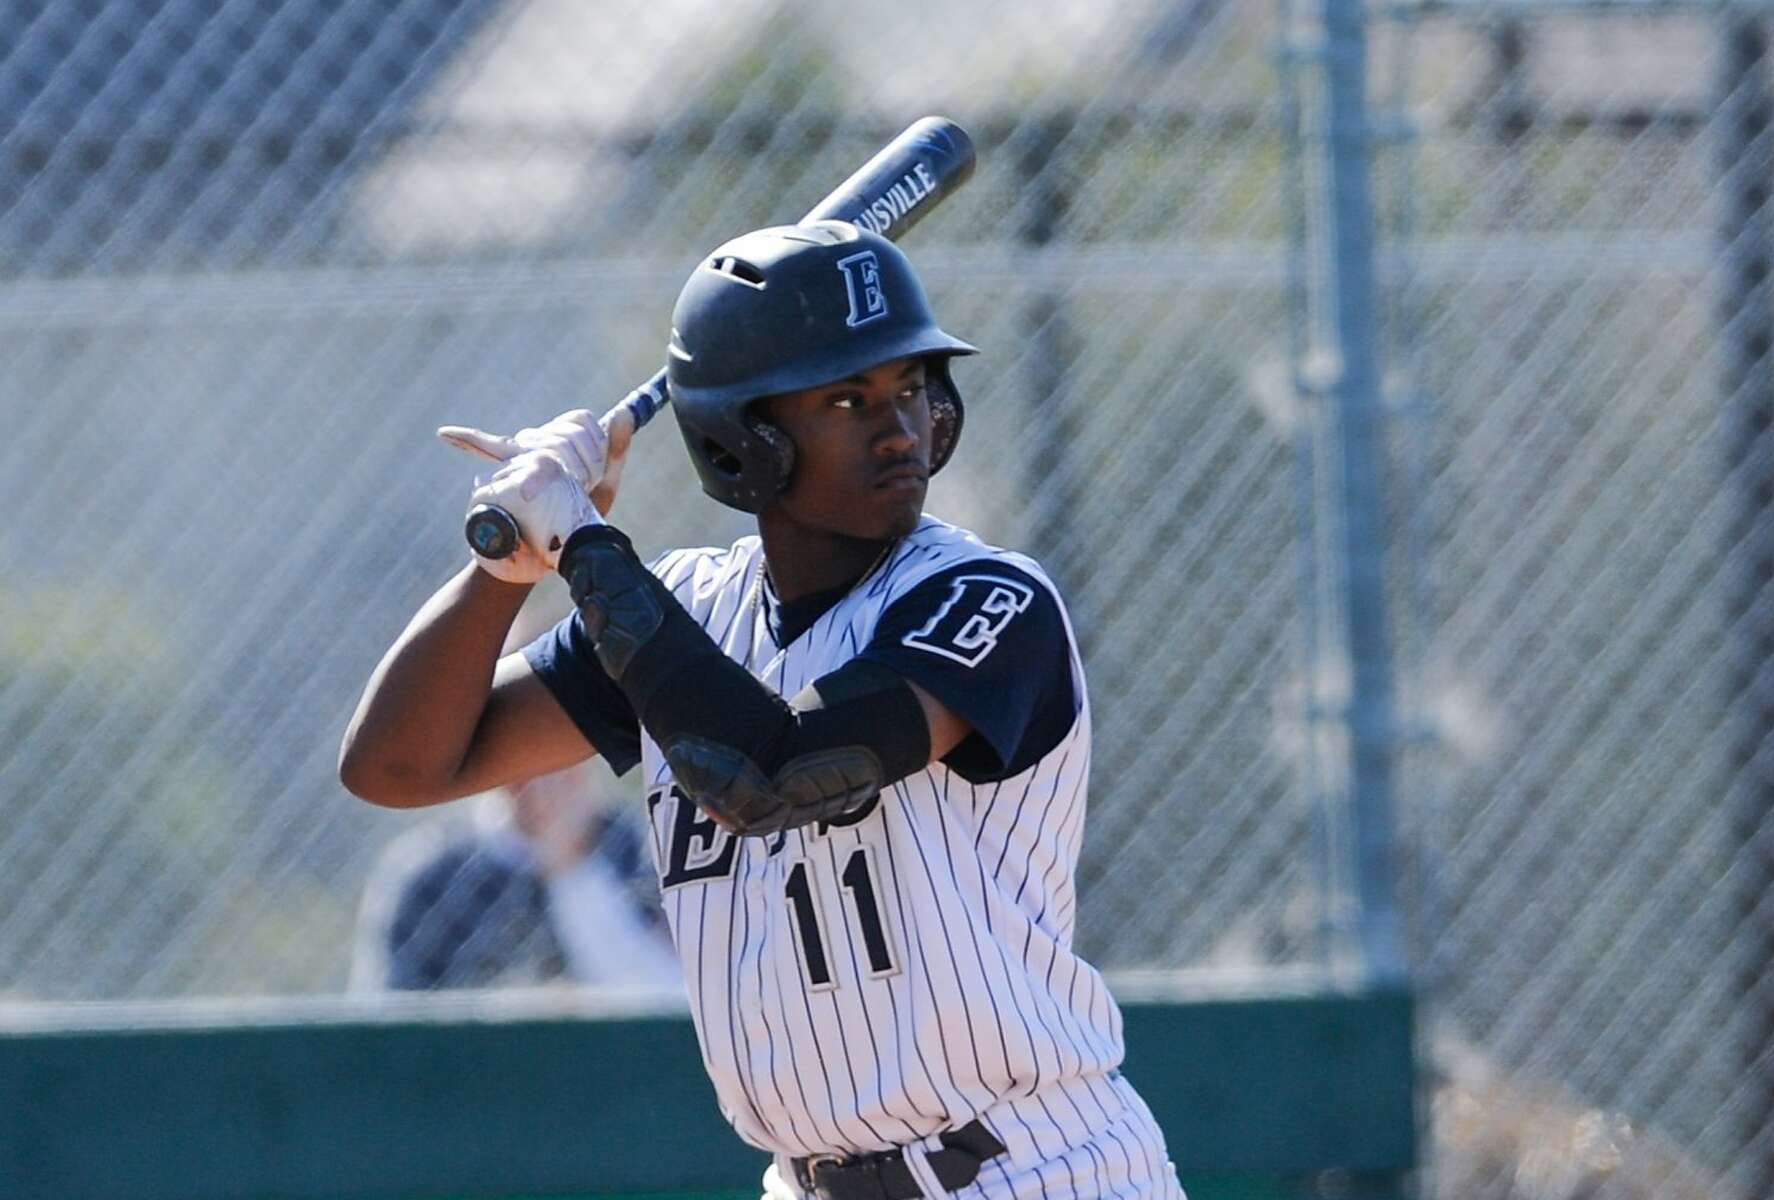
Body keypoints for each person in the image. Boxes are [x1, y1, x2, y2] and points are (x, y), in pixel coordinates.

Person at [341, 220, 1185, 1199]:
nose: (898, 428)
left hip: (1028, 1166)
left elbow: (772, 771)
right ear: (744, 438)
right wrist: (509, 560)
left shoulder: (988, 601)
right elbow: (397, 766)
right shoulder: (684, 615)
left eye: (909, 387)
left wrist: (584, 543)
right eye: (845, 397)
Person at [348, 756, 680, 993]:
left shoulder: (644, 848)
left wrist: (569, 868)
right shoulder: (433, 871)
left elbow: (672, 998)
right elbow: (387, 1017)